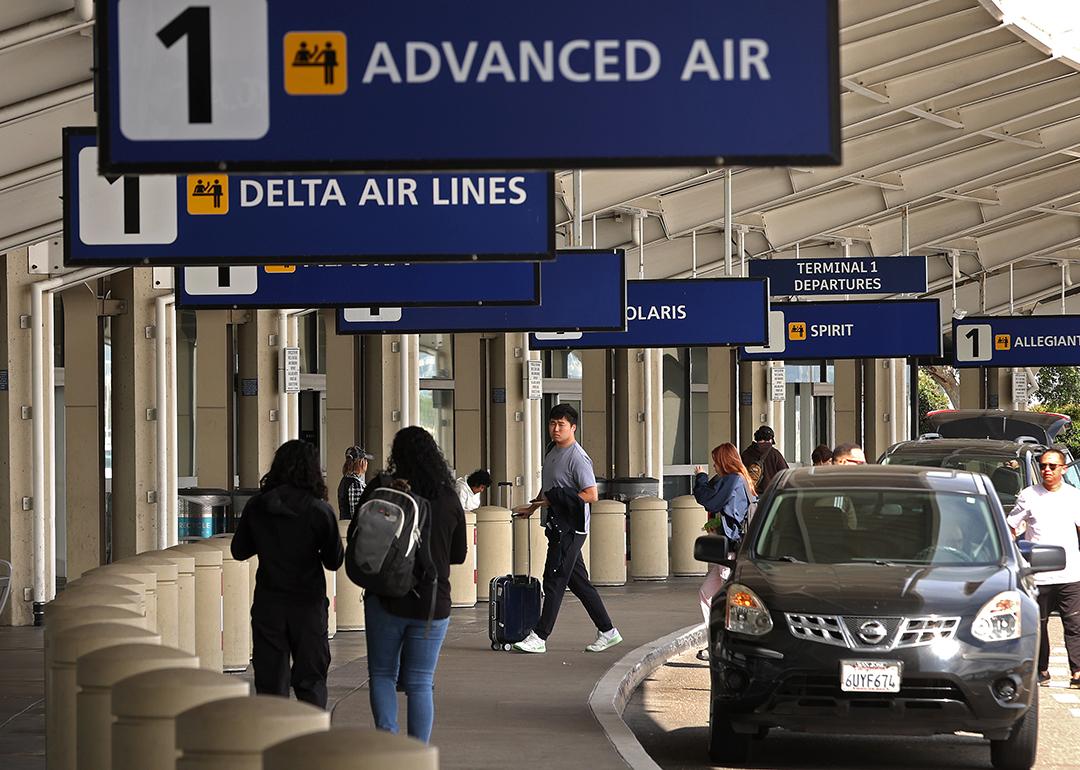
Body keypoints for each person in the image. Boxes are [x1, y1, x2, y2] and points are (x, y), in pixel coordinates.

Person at [360, 426, 467, 742]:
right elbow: (458, 554)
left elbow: (360, 539)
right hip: (432, 601)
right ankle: (417, 755)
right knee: (420, 681)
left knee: (382, 675)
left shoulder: (381, 490)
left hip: (384, 597)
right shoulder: (447, 498)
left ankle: (388, 746)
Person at [231, 440, 344, 708]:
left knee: (270, 685)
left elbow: (239, 550)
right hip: (308, 604)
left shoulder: (257, 507)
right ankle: (310, 742)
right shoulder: (319, 511)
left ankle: (273, 742)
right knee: (311, 681)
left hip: (269, 603)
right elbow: (334, 561)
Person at [510, 403, 622, 654]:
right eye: (552, 423)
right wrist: (534, 507)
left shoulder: (577, 457)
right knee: (579, 583)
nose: (556, 428)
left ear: (573, 427)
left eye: (561, 424)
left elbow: (591, 494)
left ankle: (539, 636)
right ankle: (608, 631)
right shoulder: (552, 450)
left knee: (554, 580)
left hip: (572, 529)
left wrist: (554, 499)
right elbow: (550, 486)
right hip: (557, 526)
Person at [1006, 447, 1080, 689]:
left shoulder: (1074, 496)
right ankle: (1042, 670)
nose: (1046, 470)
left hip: (1070, 572)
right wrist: (1013, 554)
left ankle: (1077, 671)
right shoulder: (1029, 495)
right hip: (1038, 574)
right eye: (1043, 465)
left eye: (1052, 466)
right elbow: (1011, 525)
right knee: (1039, 624)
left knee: (1074, 624)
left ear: (1063, 469)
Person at [693, 443, 756, 660]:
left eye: (716, 461)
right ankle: (717, 643)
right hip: (730, 549)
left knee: (729, 601)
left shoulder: (734, 480)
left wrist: (700, 477)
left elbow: (709, 499)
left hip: (731, 551)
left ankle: (730, 647)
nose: (713, 465)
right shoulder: (739, 479)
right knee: (707, 594)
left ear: (723, 461)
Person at [741, 425, 788, 492]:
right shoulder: (775, 454)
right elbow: (785, 474)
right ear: (770, 439)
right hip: (770, 494)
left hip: (751, 494)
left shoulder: (746, 453)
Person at [337, 445, 373, 520]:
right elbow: (357, 514)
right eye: (365, 460)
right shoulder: (355, 484)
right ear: (360, 462)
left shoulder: (345, 480)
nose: (367, 463)